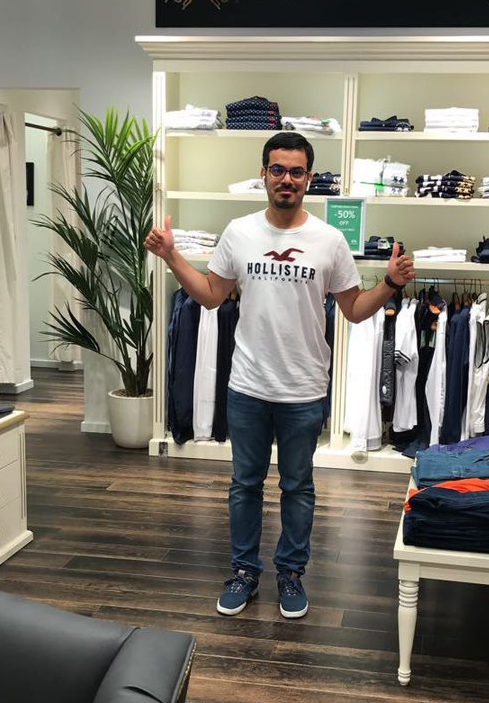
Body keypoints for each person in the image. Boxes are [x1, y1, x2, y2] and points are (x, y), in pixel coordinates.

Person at [145, 131, 415, 620]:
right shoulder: (239, 232)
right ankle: (244, 571)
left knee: (298, 486)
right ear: (264, 174)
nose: (286, 179)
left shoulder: (329, 240)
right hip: (248, 385)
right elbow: (211, 296)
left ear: (309, 178)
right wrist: (172, 257)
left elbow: (354, 310)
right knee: (244, 485)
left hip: (304, 388)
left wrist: (391, 284)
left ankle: (290, 573)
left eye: (296, 171)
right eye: (277, 170)